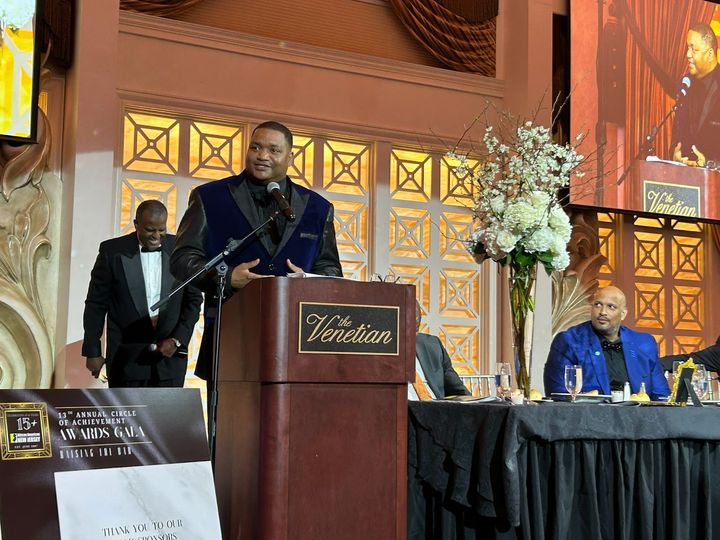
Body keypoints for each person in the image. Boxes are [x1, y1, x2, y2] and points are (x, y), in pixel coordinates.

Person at [170, 120, 343, 380]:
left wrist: (307, 283)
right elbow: (182, 259)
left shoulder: (318, 208)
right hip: (231, 335)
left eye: (274, 150)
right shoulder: (209, 197)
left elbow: (330, 269)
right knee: (231, 419)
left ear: (290, 157)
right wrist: (226, 277)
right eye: (255, 147)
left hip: (298, 342)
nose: (262, 156)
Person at [82, 200, 202, 387]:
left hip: (169, 361)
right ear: (136, 224)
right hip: (126, 360)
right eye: (149, 230)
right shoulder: (112, 252)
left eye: (161, 230)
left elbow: (193, 300)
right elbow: (95, 304)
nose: (156, 236)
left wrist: (178, 339)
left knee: (167, 417)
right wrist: (93, 351)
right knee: (127, 416)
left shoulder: (181, 249)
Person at [543, 285, 669, 400]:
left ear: (623, 314)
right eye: (598, 304)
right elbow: (557, 392)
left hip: (637, 420)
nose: (603, 312)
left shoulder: (644, 344)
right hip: (587, 419)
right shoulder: (569, 340)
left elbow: (661, 395)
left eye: (611, 307)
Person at [671, 22, 720, 167]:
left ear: (710, 53)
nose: (688, 55)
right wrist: (675, 156)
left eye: (694, 49)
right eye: (687, 48)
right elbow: (677, 134)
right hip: (686, 181)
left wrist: (708, 165)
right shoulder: (684, 84)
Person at [411, 301, 470, 399]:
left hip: (437, 410)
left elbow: (458, 390)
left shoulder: (433, 345)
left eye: (415, 330)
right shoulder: (380, 353)